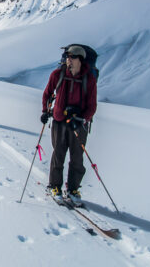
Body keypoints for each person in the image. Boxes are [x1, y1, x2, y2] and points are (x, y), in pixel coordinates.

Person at [41, 45, 97, 205]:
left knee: (77, 157)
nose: (68, 60)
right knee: (58, 153)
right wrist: (45, 111)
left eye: (72, 57)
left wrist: (82, 118)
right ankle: (55, 186)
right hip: (59, 121)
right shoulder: (57, 74)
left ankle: (73, 188)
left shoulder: (89, 79)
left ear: (80, 59)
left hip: (79, 124)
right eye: (67, 57)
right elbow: (47, 94)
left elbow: (92, 106)